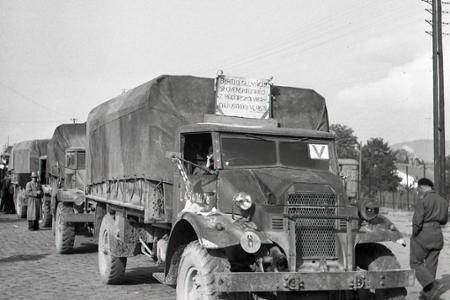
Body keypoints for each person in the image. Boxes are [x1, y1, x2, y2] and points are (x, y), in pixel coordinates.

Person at [410, 178, 449, 299]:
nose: (419, 191)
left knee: (415, 263)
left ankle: (432, 284)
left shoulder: (423, 200)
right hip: (438, 233)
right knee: (431, 264)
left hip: (423, 233)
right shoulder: (443, 201)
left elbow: (417, 221)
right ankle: (428, 294)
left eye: (419, 188)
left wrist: (415, 234)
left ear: (422, 187)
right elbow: (444, 220)